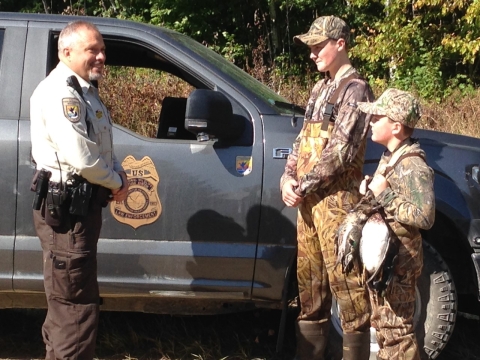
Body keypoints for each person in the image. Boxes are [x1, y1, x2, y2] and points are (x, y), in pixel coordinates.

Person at [30, 21, 129, 359]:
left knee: (68, 302)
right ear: (66, 52)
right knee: (74, 308)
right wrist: (117, 183)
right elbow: (83, 158)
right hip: (68, 214)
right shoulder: (61, 93)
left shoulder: (82, 89)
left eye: (102, 50)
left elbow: (99, 147)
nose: (101, 56)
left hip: (78, 212)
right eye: (93, 50)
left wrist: (116, 172)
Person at [280, 15, 374, 360]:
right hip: (308, 204)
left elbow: (341, 152)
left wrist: (301, 184)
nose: (312, 53)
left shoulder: (356, 90)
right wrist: (287, 177)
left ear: (340, 44)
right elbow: (302, 139)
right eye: (311, 47)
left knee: (349, 291)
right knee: (310, 291)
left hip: (338, 205)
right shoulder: (320, 89)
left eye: (319, 46)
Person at [356, 88, 435, 360]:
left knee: (397, 331)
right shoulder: (391, 157)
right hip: (388, 261)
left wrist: (384, 194)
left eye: (377, 117)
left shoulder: (412, 164)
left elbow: (424, 217)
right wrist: (372, 190)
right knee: (385, 328)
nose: (371, 122)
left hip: (400, 263)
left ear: (397, 127)